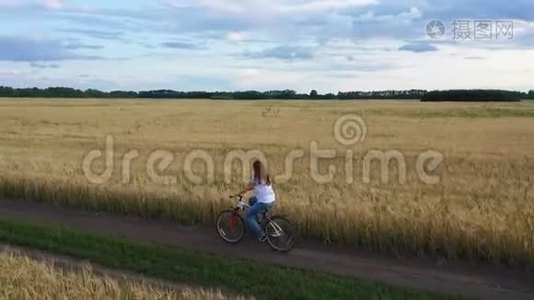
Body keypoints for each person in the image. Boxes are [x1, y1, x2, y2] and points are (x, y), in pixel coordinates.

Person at [237, 160, 276, 242]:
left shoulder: (257, 178)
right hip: (272, 199)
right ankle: (258, 219)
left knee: (248, 217)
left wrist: (239, 193)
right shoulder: (265, 176)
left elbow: (249, 187)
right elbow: (251, 185)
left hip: (264, 202)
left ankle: (261, 235)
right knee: (252, 200)